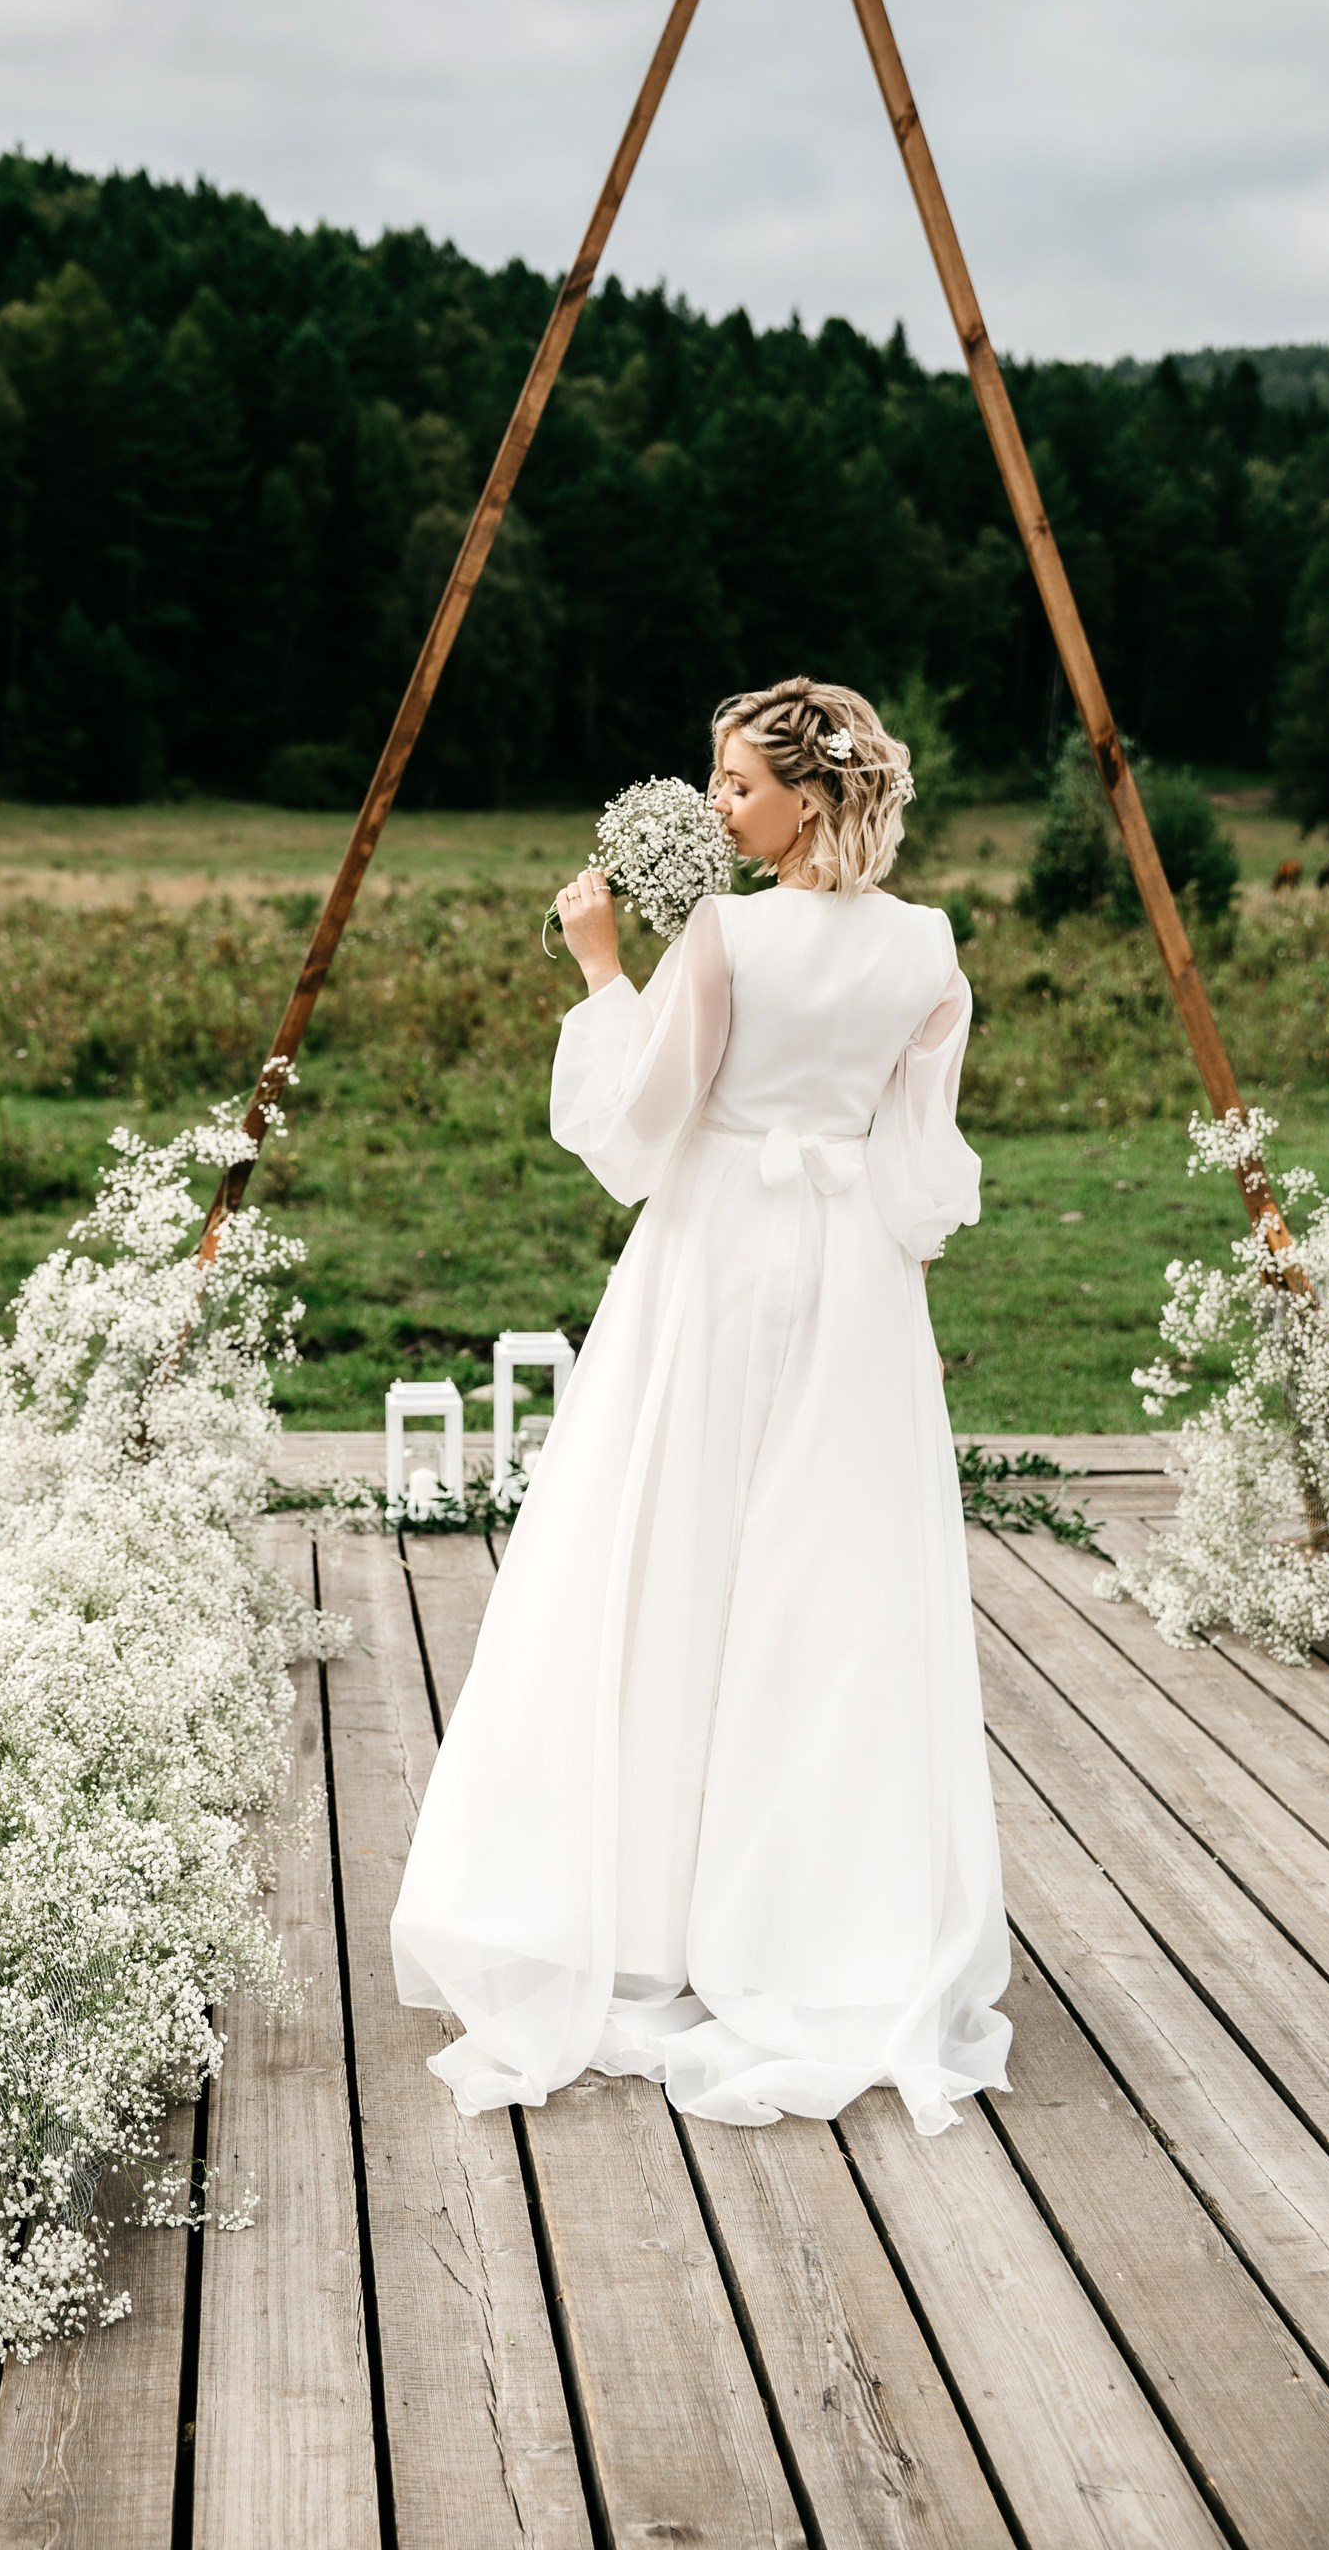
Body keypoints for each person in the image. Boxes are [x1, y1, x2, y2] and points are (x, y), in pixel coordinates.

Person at [389, 676, 1011, 2133]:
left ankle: (650, 1918)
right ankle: (814, 1924)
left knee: (664, 1557)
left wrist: (605, 967)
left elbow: (642, 1124)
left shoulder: (725, 932)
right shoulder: (929, 948)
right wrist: (904, 1305)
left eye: (737, 785)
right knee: (828, 1592)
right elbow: (924, 1164)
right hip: (856, 1278)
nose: (719, 807)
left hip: (719, 1264)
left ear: (810, 797)